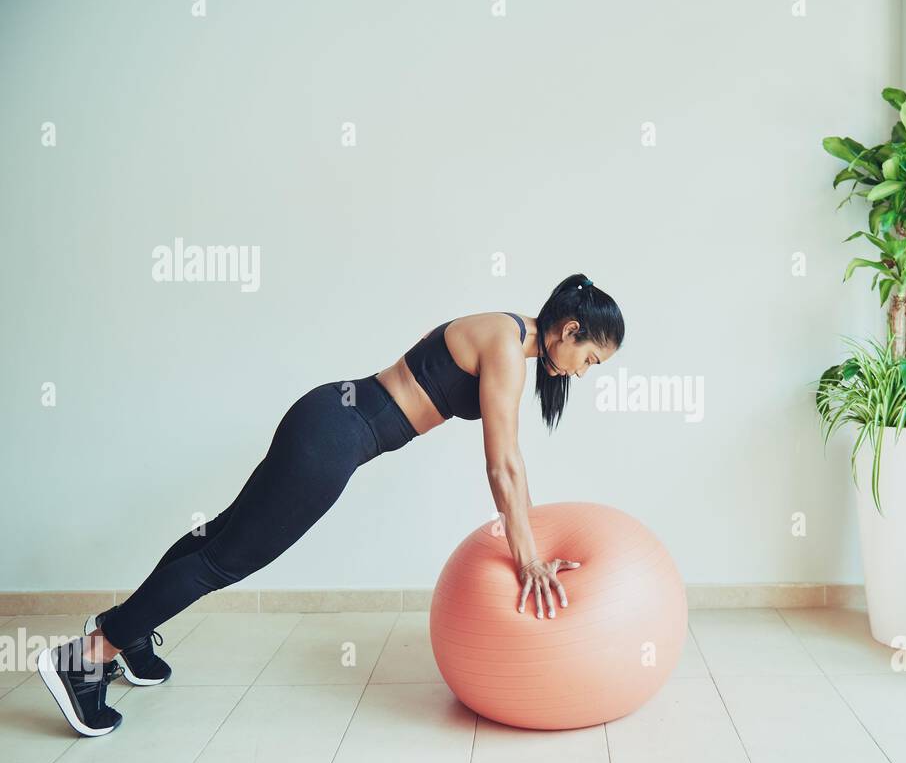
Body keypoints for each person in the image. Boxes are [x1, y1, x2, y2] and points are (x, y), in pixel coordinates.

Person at [36, 273, 625, 736]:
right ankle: (87, 656)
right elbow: (503, 464)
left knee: (218, 536)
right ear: (569, 329)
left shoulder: (507, 334)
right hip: (334, 439)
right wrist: (528, 561)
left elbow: (509, 462)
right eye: (591, 360)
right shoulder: (507, 343)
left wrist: (533, 544)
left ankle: (131, 632)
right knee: (225, 560)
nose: (585, 373)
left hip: (328, 420)